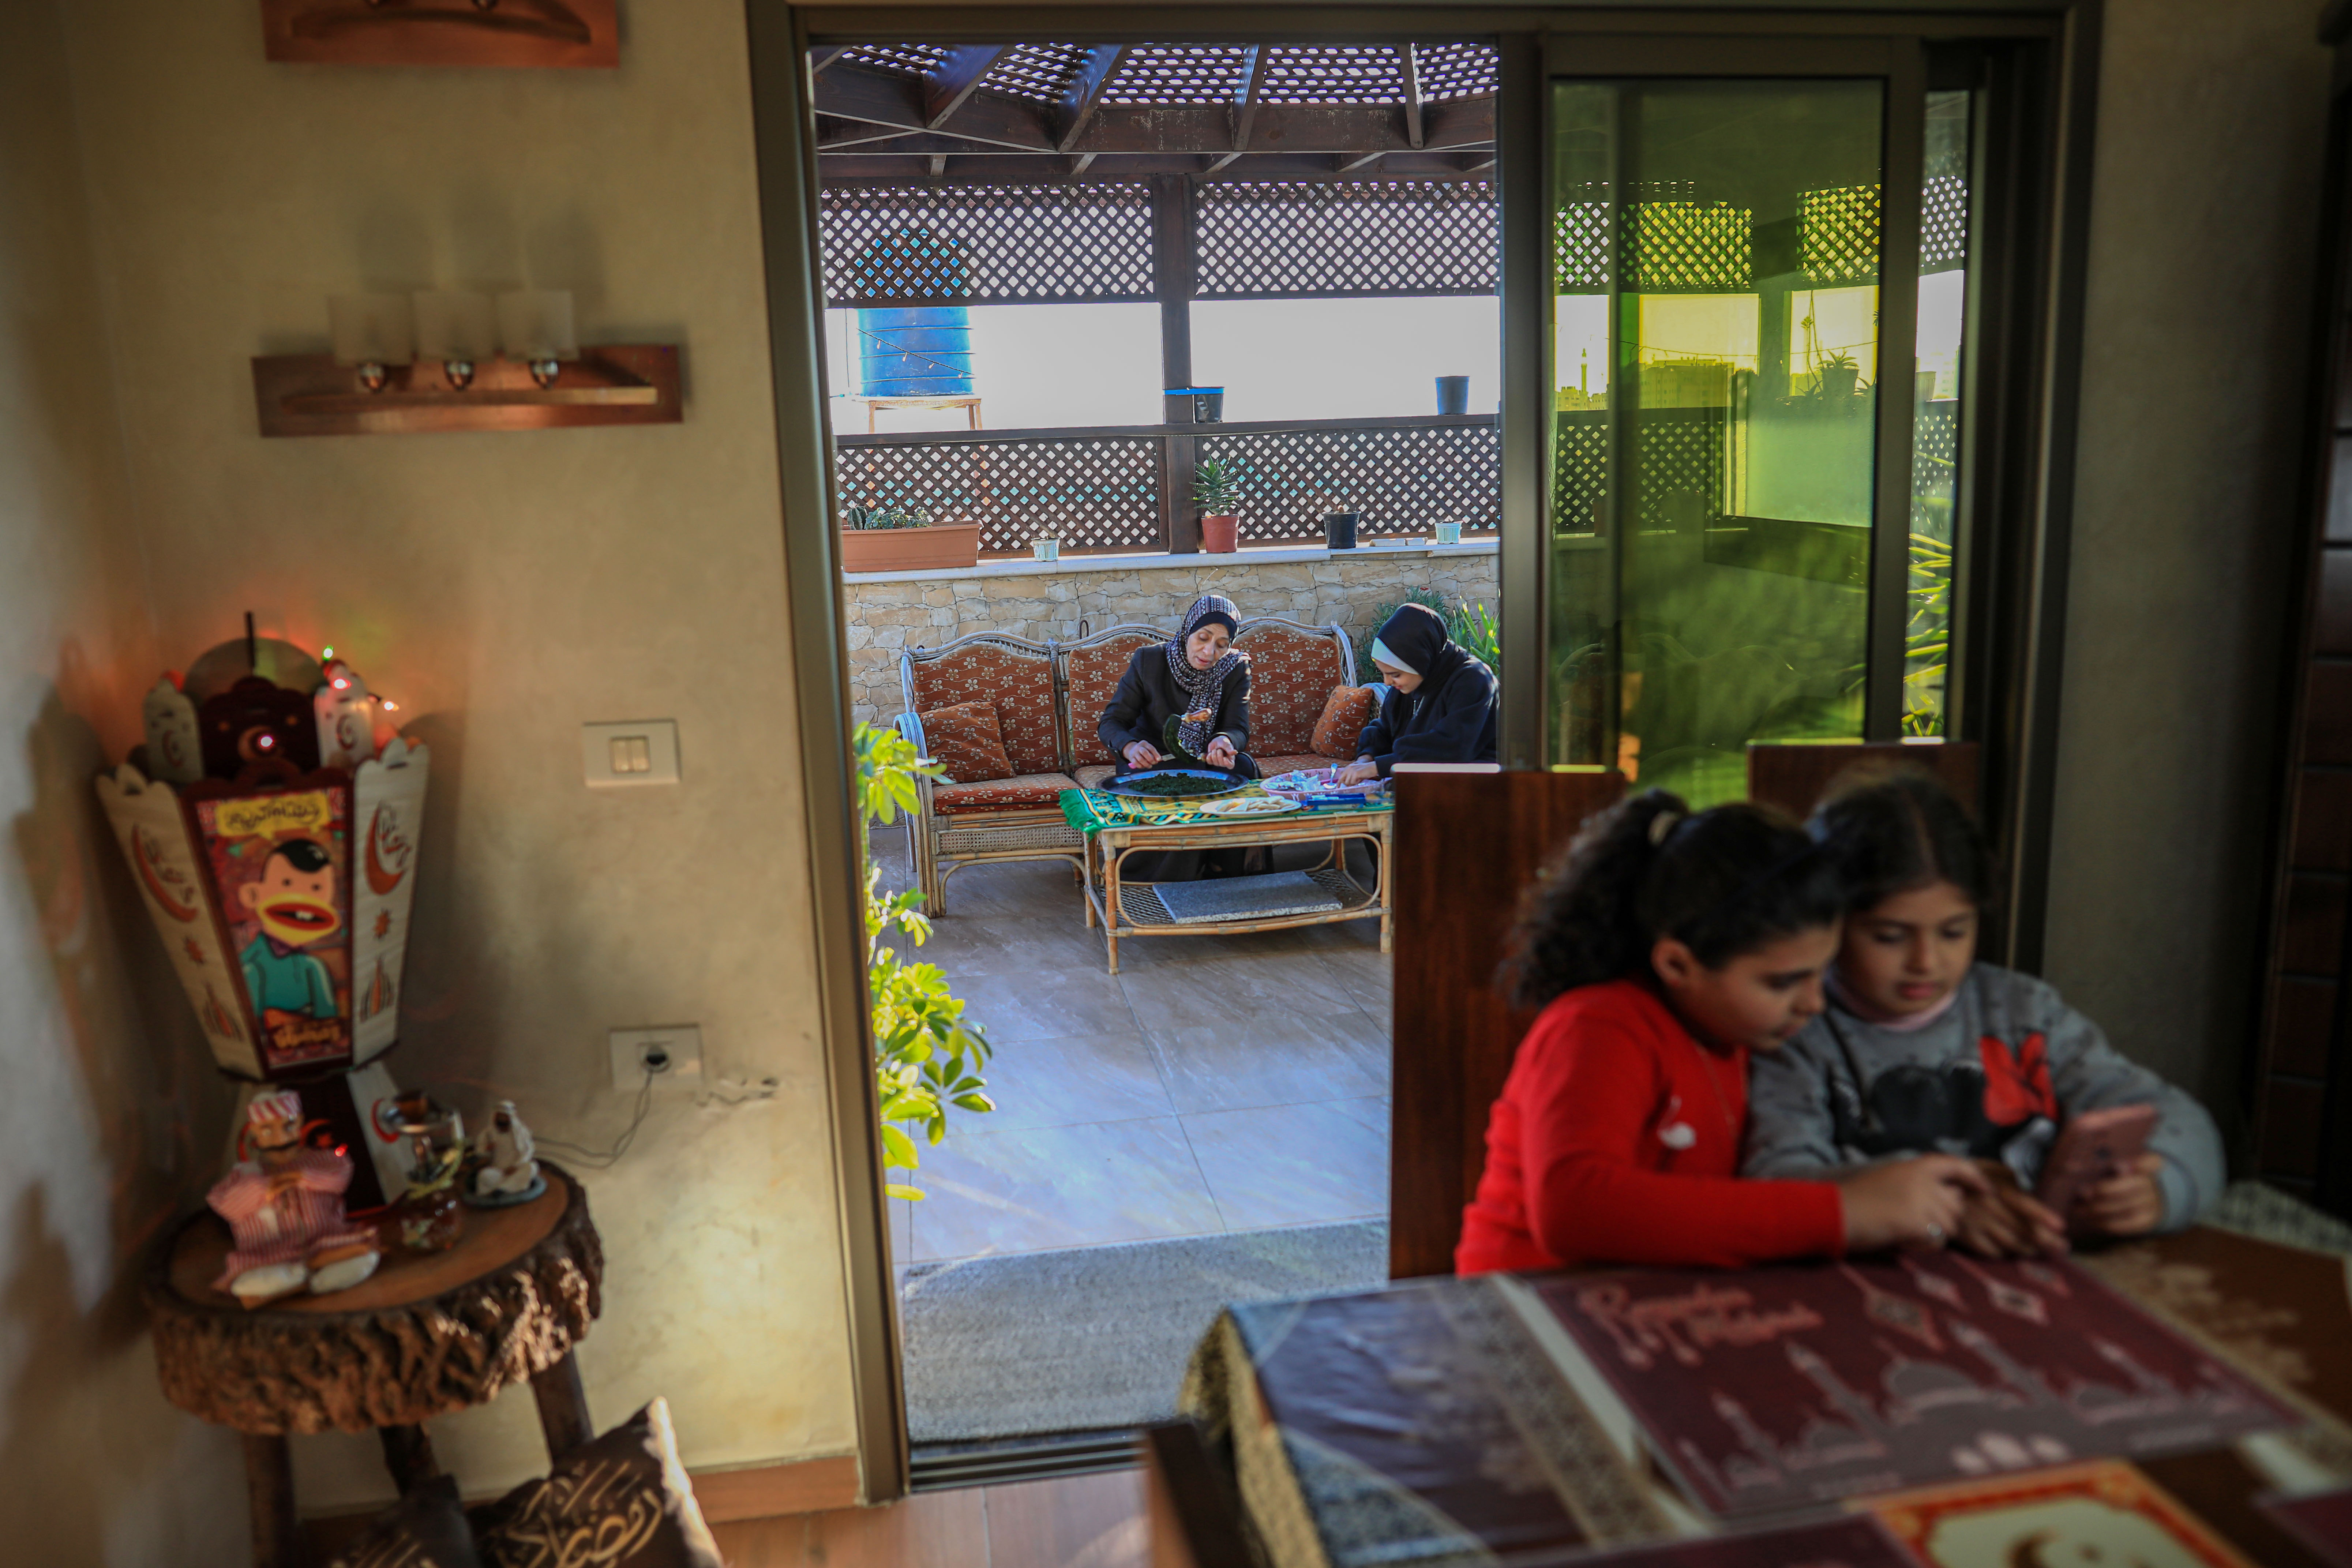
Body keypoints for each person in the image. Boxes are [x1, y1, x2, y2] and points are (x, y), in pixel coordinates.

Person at [1456, 790, 1987, 1275]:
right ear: (1678, 964)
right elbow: (1577, 1209)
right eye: (1782, 981)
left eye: (1819, 973)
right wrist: (1844, 1212)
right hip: (1529, 1304)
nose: (1813, 1003)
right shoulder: (1598, 1026)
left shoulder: (1741, 1030)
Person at [1742, 767, 2224, 1255]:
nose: (1925, 962)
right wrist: (1939, 1207)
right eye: (1889, 936)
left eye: (1953, 931)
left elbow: (2180, 1119)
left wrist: (2160, 1189)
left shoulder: (2024, 1011)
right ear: (1827, 921)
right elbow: (1778, 1175)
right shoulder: (1797, 1032)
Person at [1336, 602, 1497, 785]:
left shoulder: (1474, 679)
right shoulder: (1412, 683)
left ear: (1420, 662)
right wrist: (1366, 758)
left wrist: (1378, 767)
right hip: (1422, 782)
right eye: (1384, 674)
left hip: (1472, 786)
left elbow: (1451, 747)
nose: (1387, 682)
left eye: (1395, 675)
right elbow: (1385, 728)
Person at [1099, 593, 1257, 779]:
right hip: (1154, 761)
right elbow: (1112, 722)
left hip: (1206, 759)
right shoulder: (1149, 661)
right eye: (1203, 638)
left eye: (1222, 645)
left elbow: (1238, 728)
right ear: (1188, 631)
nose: (1209, 652)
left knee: (1243, 768)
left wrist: (1224, 740)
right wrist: (1130, 747)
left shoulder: (1235, 668)